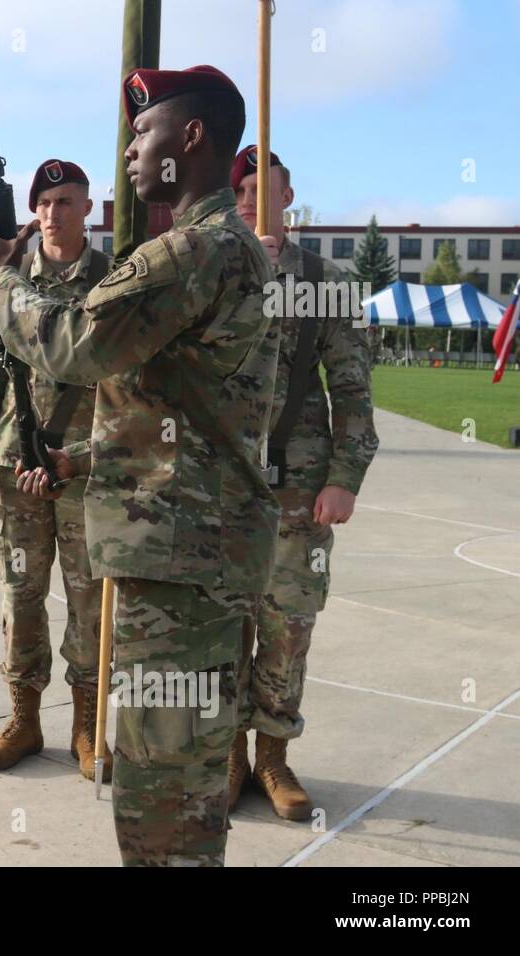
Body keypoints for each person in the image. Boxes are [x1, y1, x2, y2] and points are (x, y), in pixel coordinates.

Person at [0, 65, 280, 867]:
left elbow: (74, 347)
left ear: (191, 139)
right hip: (192, 552)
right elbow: (173, 414)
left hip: (179, 563)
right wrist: (78, 459)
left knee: (161, 805)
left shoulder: (189, 251)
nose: (132, 151)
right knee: (180, 789)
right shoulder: (215, 249)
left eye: (144, 133)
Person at [230, 145, 379, 819]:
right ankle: (227, 755)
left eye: (270, 191)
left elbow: (351, 389)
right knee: (221, 627)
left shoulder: (325, 280)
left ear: (290, 200)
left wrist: (345, 477)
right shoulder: (207, 271)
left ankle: (274, 757)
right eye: (244, 194)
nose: (256, 203)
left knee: (287, 627)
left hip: (300, 486)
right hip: (219, 488)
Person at [0, 158, 114, 779]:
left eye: (67, 201)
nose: (54, 214)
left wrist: (84, 457)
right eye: (45, 204)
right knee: (20, 595)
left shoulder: (111, 280)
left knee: (88, 600)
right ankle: (24, 720)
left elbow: (126, 390)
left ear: (88, 209)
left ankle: (85, 725)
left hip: (86, 472)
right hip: (13, 471)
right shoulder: (7, 280)